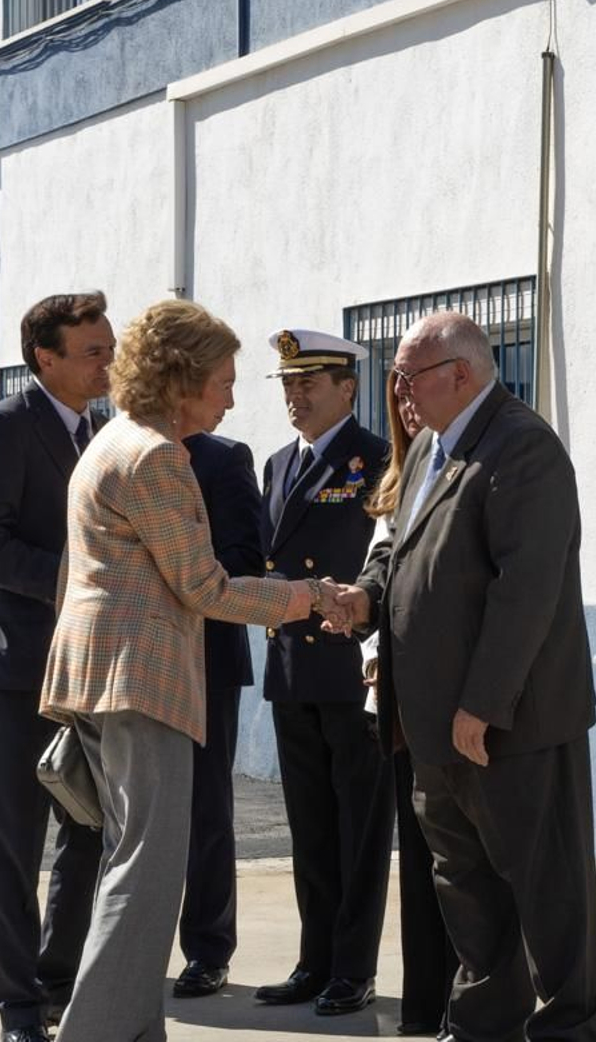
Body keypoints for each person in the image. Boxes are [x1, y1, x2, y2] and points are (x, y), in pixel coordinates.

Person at [39, 299, 322, 1042]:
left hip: (110, 679)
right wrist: (308, 596)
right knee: (146, 872)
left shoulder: (110, 441)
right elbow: (205, 586)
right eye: (223, 379)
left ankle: (133, 1031)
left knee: (137, 866)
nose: (232, 395)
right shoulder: (157, 455)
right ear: (183, 377)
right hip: (142, 680)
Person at [335, 311, 596, 1041]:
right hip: (433, 726)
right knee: (467, 892)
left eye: (409, 375)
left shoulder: (523, 450)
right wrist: (364, 596)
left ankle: (572, 1028)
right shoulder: (430, 446)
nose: (398, 390)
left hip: (508, 726)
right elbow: (402, 551)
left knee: (550, 897)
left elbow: (527, 590)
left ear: (461, 373)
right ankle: (484, 1025)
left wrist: (482, 703)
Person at [0, 292, 113, 1042]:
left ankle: (56, 975)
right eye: (92, 350)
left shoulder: (104, 430)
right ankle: (17, 1006)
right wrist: (73, 579)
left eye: (108, 346)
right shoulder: (4, 427)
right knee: (12, 841)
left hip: (92, 669)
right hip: (17, 671)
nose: (107, 360)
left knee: (86, 829)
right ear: (45, 359)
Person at [255, 328, 393, 1017]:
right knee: (309, 826)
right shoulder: (278, 463)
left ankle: (352, 967)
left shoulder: (378, 460)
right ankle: (314, 959)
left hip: (348, 666)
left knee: (359, 828)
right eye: (287, 383)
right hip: (291, 665)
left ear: (348, 387)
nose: (295, 394)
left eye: (308, 382)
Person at [358, 384, 457, 1037]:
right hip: (396, 695)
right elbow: (382, 563)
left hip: (455, 695)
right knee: (419, 862)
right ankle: (425, 1006)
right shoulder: (404, 472)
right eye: (398, 396)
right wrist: (367, 636)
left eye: (417, 388)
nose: (409, 405)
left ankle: (468, 1003)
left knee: (463, 865)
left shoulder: (480, 459)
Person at [170, 428, 267, 999]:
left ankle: (208, 949)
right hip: (138, 660)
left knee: (206, 811)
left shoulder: (225, 457)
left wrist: (175, 568)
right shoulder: (118, 445)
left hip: (206, 661)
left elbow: (243, 558)